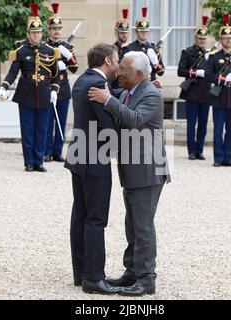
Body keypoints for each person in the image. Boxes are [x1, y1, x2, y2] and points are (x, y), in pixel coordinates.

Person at [88, 51, 171, 297]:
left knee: (143, 226)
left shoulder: (151, 95)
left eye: (123, 69)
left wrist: (107, 101)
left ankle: (147, 279)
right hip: (134, 170)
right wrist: (107, 93)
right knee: (132, 225)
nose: (119, 73)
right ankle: (132, 272)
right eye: (119, 67)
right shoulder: (130, 90)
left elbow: (134, 119)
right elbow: (117, 95)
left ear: (138, 74)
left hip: (147, 171)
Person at [64, 44, 120, 295]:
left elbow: (108, 95)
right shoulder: (97, 87)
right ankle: (94, 277)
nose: (118, 65)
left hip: (78, 155)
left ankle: (81, 272)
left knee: (81, 215)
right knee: (96, 219)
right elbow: (108, 127)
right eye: (117, 60)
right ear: (107, 60)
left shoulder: (82, 80)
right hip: (94, 158)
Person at [0, 3, 60, 172]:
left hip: (44, 92)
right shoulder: (21, 50)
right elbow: (13, 72)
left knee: (42, 129)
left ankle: (39, 161)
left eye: (39, 32)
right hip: (26, 93)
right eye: (33, 32)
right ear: (28, 33)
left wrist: (54, 89)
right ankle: (29, 162)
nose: (36, 35)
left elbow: (56, 74)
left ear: (42, 33)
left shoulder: (50, 50)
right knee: (27, 129)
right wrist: (4, 86)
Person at [206, 13, 231, 167]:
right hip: (219, 97)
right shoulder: (214, 57)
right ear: (221, 40)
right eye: (225, 38)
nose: (228, 40)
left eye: (230, 38)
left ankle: (229, 158)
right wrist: (223, 79)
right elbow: (208, 76)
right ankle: (218, 158)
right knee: (218, 130)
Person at [44, 3, 79, 163]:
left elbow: (74, 67)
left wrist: (68, 57)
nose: (57, 32)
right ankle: (46, 151)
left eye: (59, 29)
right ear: (49, 30)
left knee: (61, 121)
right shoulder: (43, 46)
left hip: (63, 87)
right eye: (54, 29)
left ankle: (57, 151)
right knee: (47, 120)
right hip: (49, 86)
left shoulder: (67, 47)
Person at [177, 16, 211, 161]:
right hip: (192, 92)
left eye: (204, 39)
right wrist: (195, 72)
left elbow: (213, 72)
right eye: (199, 38)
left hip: (205, 93)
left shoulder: (210, 54)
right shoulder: (187, 52)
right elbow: (180, 70)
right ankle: (191, 151)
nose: (202, 41)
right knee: (191, 124)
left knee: (203, 124)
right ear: (195, 38)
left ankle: (200, 150)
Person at [126, 7, 164, 82]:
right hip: (135, 84)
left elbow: (161, 72)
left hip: (151, 84)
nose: (144, 33)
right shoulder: (130, 48)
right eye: (141, 31)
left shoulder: (153, 48)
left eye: (146, 31)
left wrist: (156, 64)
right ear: (136, 32)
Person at [112, 8, 130, 89]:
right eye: (122, 32)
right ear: (116, 33)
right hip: (116, 85)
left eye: (126, 32)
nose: (124, 35)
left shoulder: (132, 47)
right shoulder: (111, 48)